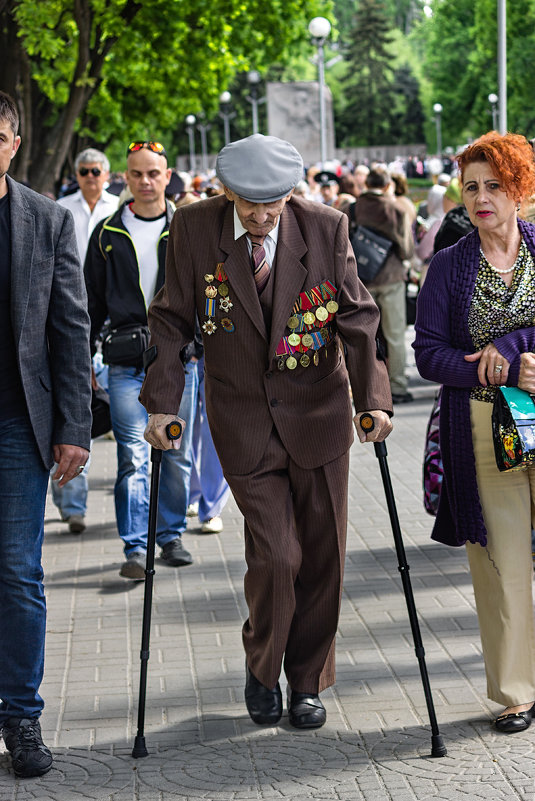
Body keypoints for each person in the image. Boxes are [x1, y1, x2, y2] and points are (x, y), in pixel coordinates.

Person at [140, 133, 392, 730]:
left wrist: (374, 399)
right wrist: (161, 404)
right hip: (245, 419)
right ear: (227, 191)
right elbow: (171, 319)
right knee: (278, 554)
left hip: (320, 413)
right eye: (248, 202)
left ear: (291, 191)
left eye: (272, 203)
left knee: (323, 553)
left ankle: (306, 682)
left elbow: (357, 316)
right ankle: (263, 666)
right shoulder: (195, 229)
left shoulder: (326, 226)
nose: (259, 215)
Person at [413, 132, 535, 734]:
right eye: (471, 188)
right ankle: (517, 691)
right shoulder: (448, 265)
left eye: (495, 186)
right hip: (486, 424)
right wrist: (490, 365)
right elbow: (428, 355)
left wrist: (514, 345)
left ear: (520, 189)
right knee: (502, 559)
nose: (482, 198)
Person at [0, 91, 91, 777]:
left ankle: (21, 714)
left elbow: (68, 327)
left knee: (17, 571)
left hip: (16, 424)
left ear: (14, 141)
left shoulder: (46, 219)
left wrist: (74, 427)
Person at [84, 140, 199, 580]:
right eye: (136, 174)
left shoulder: (186, 229)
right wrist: (83, 362)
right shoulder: (108, 235)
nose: (145, 181)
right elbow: (90, 303)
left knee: (175, 451)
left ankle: (170, 535)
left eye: (153, 173)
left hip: (179, 362)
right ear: (125, 178)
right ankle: (135, 547)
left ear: (167, 176)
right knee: (133, 454)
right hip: (126, 363)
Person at [52, 148, 118, 534]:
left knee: (90, 410)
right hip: (63, 317)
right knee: (70, 408)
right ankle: (70, 501)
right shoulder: (59, 209)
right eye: (84, 170)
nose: (91, 176)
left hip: (106, 321)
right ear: (76, 174)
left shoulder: (118, 210)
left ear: (107, 174)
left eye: (96, 170)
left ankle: (74, 496)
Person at [351, 166, 415, 403]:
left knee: (366, 336)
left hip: (361, 281)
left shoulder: (353, 208)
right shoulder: (396, 209)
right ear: (387, 186)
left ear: (366, 184)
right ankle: (397, 386)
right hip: (391, 280)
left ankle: (368, 388)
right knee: (395, 335)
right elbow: (407, 251)